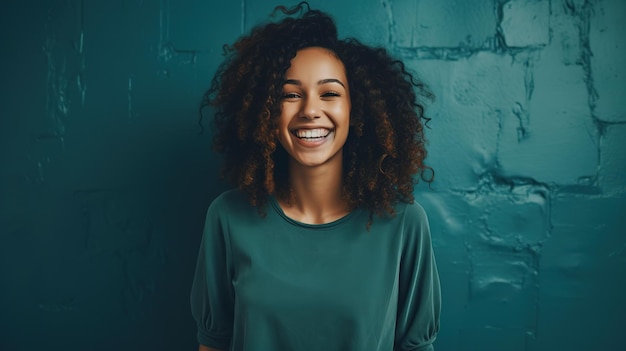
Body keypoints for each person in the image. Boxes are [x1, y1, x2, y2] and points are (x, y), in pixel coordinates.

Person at [190, 3, 441, 350]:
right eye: (290, 94)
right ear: (266, 111)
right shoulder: (228, 217)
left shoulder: (404, 224)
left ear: (356, 110)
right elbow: (212, 344)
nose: (310, 110)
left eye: (330, 93)